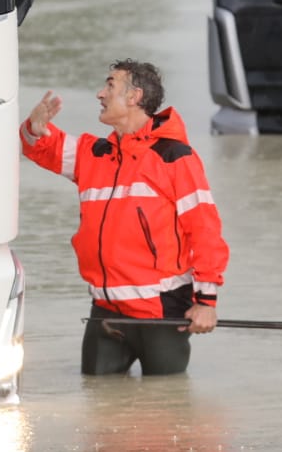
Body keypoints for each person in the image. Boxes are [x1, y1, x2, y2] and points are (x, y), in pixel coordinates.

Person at [20, 59, 230, 376]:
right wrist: (34, 128)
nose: (99, 94)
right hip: (105, 312)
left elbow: (204, 231)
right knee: (98, 411)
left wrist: (206, 302)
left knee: (166, 414)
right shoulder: (94, 153)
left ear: (134, 97)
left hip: (161, 313)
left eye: (110, 86)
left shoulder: (174, 156)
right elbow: (41, 148)